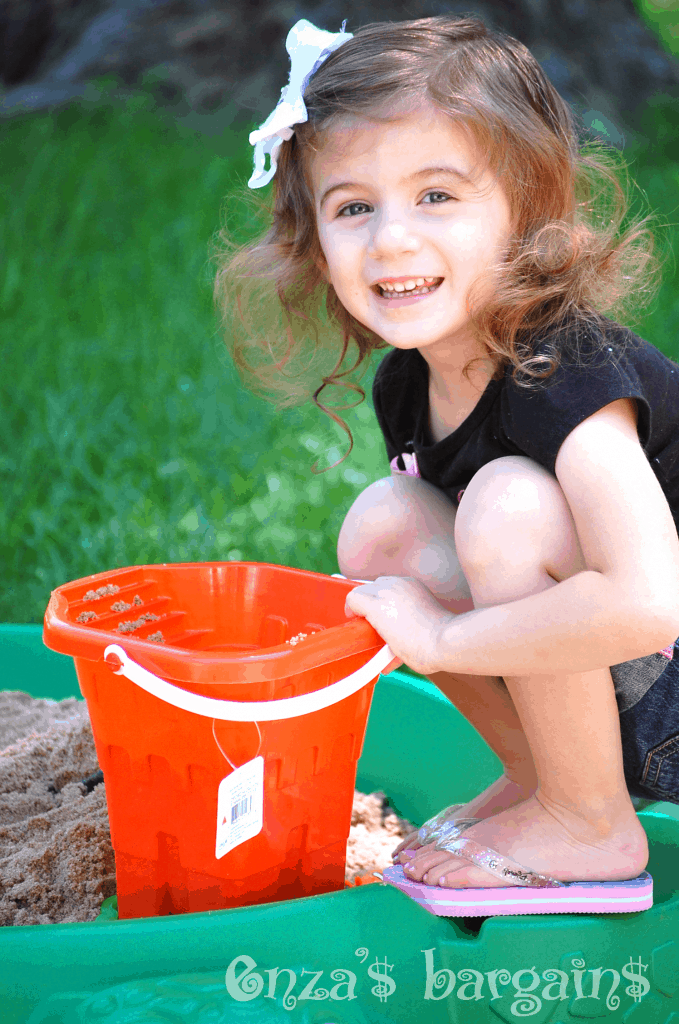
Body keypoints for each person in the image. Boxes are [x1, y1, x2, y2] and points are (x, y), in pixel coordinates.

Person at [214, 15, 679, 908]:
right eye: (354, 206)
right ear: (313, 237)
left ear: (524, 208)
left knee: (506, 501)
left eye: (436, 195)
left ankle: (589, 823)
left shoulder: (564, 367)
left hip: (667, 687)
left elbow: (647, 598)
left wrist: (442, 641)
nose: (390, 239)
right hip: (617, 680)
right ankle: (544, 779)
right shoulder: (406, 385)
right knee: (385, 524)